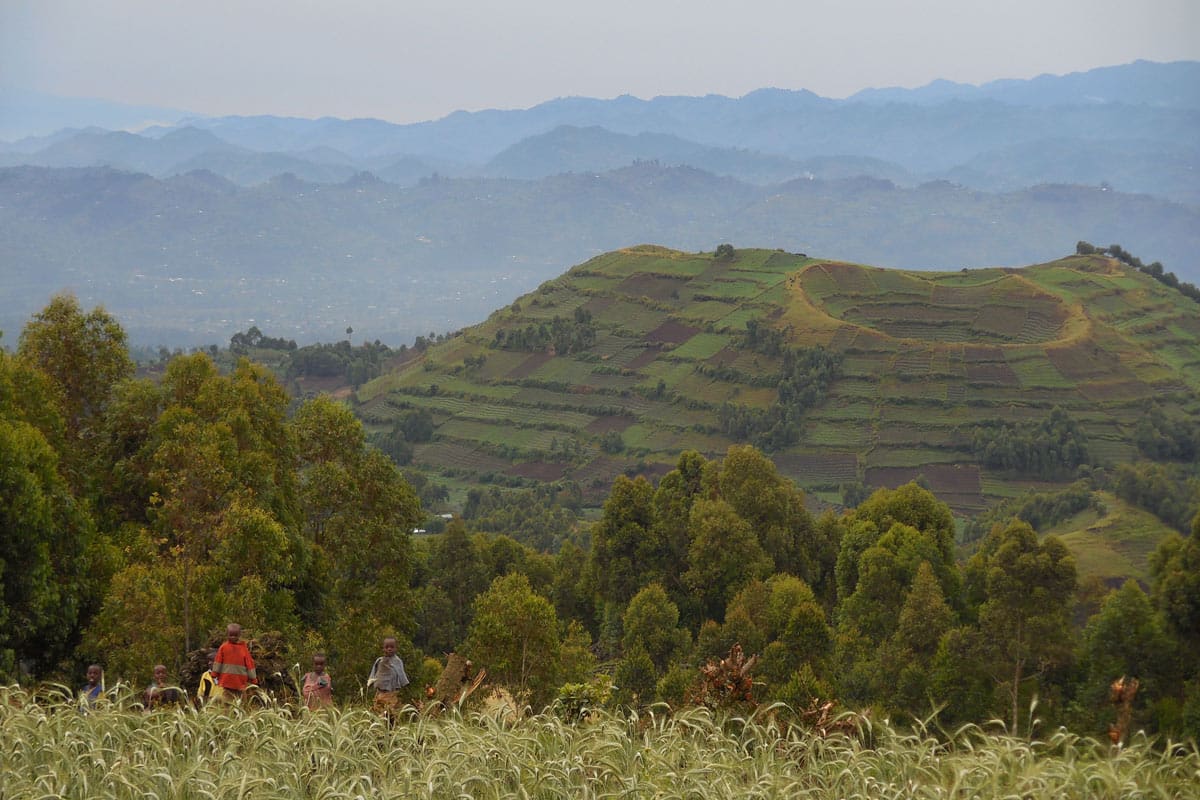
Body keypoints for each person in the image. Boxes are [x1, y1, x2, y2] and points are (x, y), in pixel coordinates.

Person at [211, 623, 257, 703]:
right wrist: (253, 679)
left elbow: (217, 662)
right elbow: (250, 664)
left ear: (239, 635)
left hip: (227, 680)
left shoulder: (224, 647)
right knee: (241, 702)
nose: (233, 637)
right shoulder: (243, 648)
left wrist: (214, 674)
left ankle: (228, 714)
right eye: (231, 635)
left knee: (227, 701)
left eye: (235, 635)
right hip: (240, 681)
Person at [367, 636, 409, 717]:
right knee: (378, 711)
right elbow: (373, 673)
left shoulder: (398, 661)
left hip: (392, 693)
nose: (389, 649)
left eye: (392, 647)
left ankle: (390, 724)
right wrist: (371, 682)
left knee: (391, 712)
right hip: (380, 693)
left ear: (396, 648)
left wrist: (404, 684)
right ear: (383, 648)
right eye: (387, 647)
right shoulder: (379, 661)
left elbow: (401, 674)